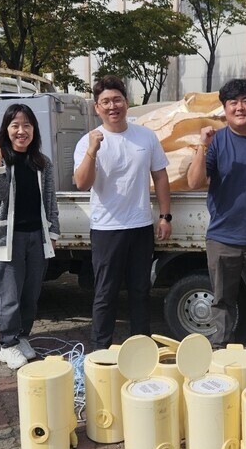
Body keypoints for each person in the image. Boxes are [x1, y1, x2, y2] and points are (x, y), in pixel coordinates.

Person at [186, 78, 246, 364]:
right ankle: (220, 347)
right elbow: (194, 182)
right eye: (233, 103)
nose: (240, 107)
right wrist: (201, 146)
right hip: (222, 236)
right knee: (222, 298)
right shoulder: (216, 142)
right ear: (225, 108)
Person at [73, 75, 172, 351]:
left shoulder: (145, 136)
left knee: (141, 290)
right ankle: (99, 350)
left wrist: (165, 216)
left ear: (126, 103)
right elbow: (82, 182)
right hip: (106, 229)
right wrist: (93, 150)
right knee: (105, 293)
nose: (112, 105)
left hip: (140, 226)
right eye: (105, 101)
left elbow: (161, 177)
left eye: (117, 99)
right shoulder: (87, 142)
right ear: (97, 108)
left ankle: (142, 347)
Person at [0, 104, 60, 370]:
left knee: (31, 293)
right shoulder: (0, 159)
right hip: (8, 239)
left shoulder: (42, 162)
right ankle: (6, 345)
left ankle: (22, 337)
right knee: (9, 295)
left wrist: (52, 232)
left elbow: (50, 200)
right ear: (6, 129)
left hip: (36, 237)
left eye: (27, 125)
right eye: (15, 125)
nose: (21, 130)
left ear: (34, 130)